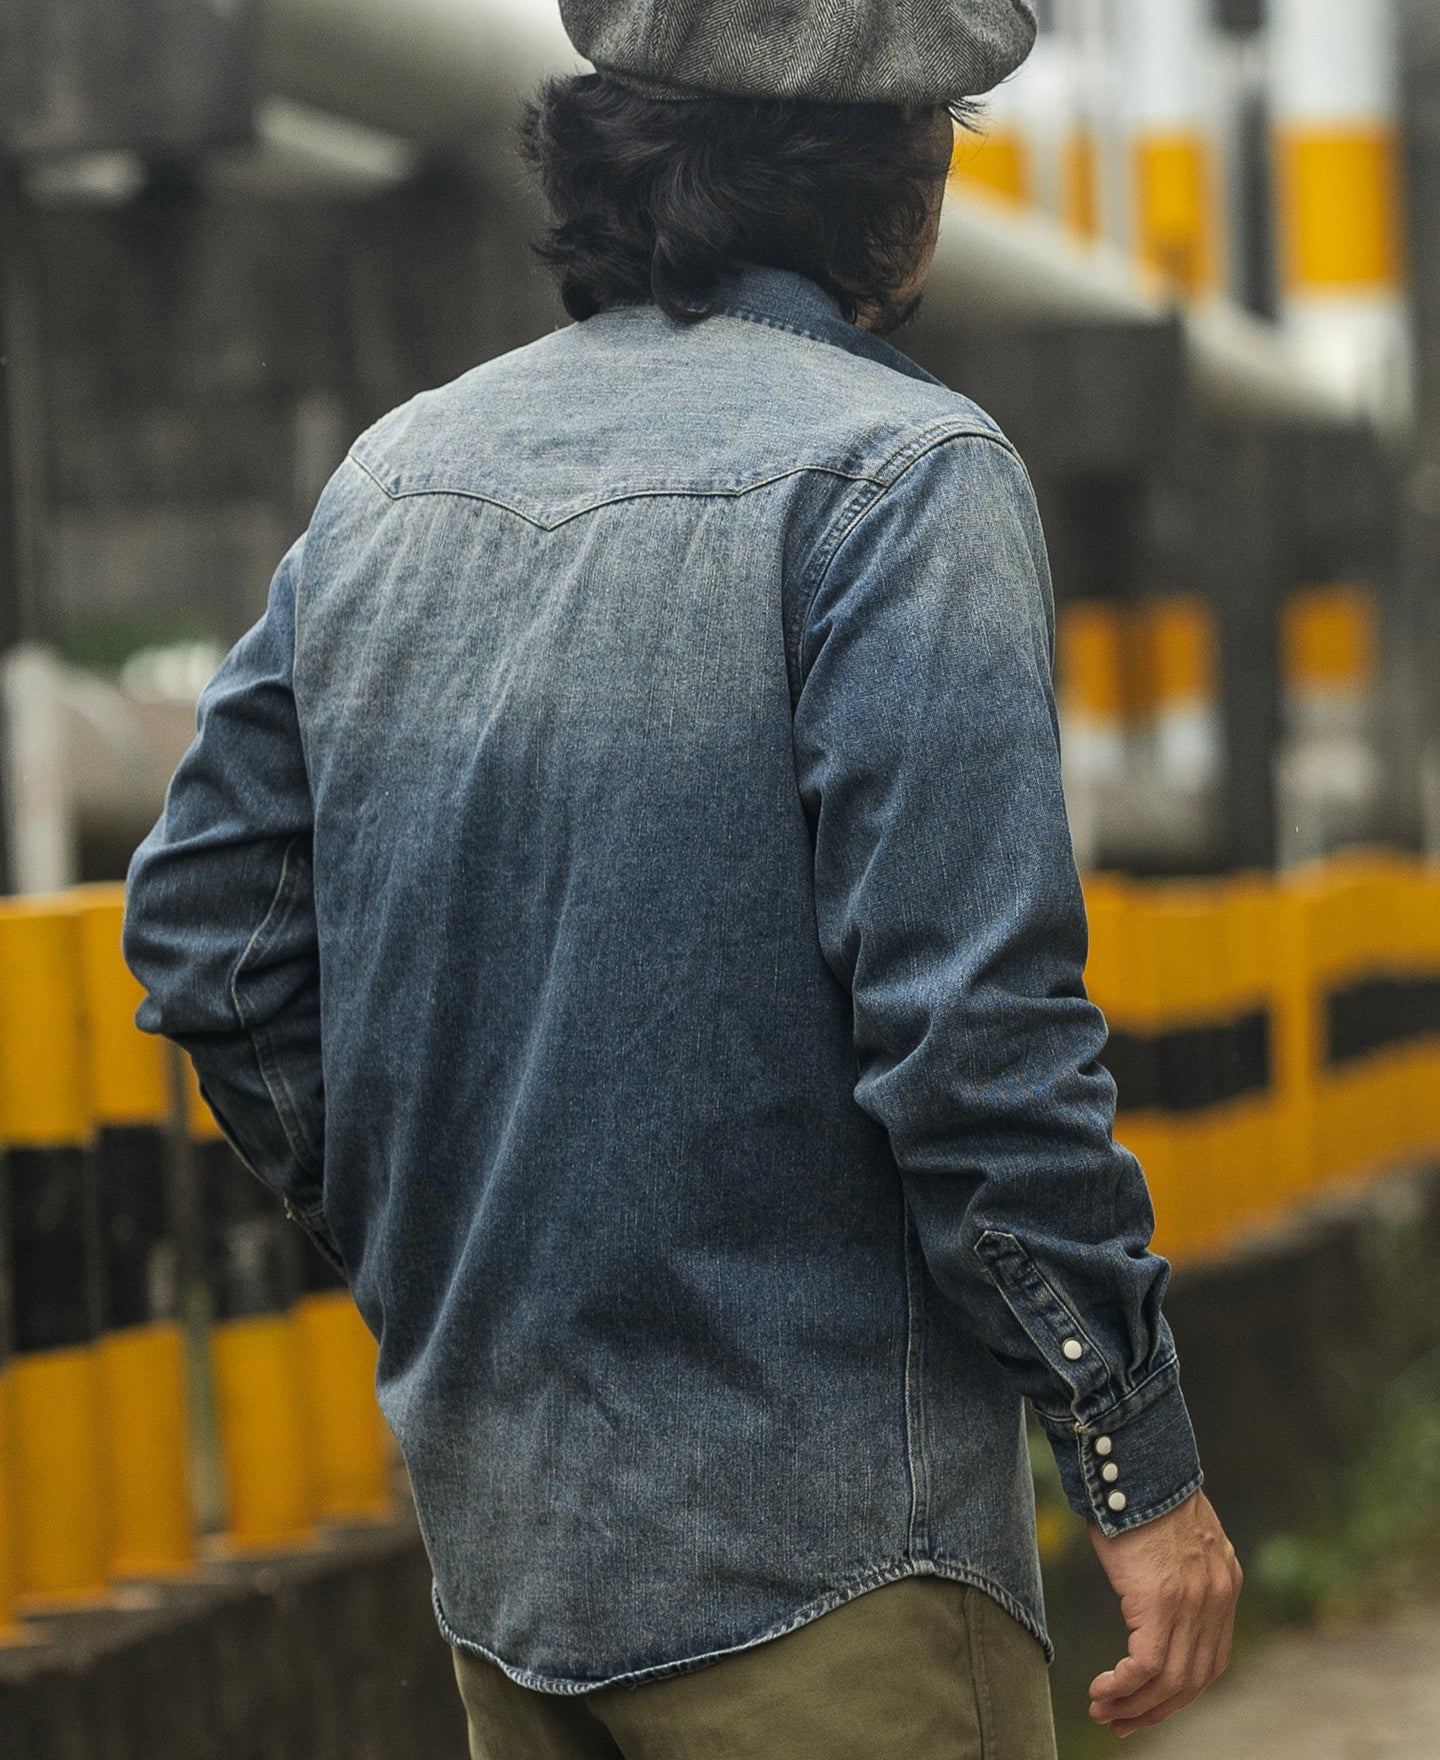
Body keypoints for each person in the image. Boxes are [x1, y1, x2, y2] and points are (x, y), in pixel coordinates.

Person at [122, 1, 1242, 1754]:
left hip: (512, 1568)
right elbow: (974, 1035)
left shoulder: (393, 480)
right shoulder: (905, 478)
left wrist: (443, 1234)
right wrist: (1135, 1457)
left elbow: (205, 935)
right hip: (836, 1576)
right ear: (896, 182)